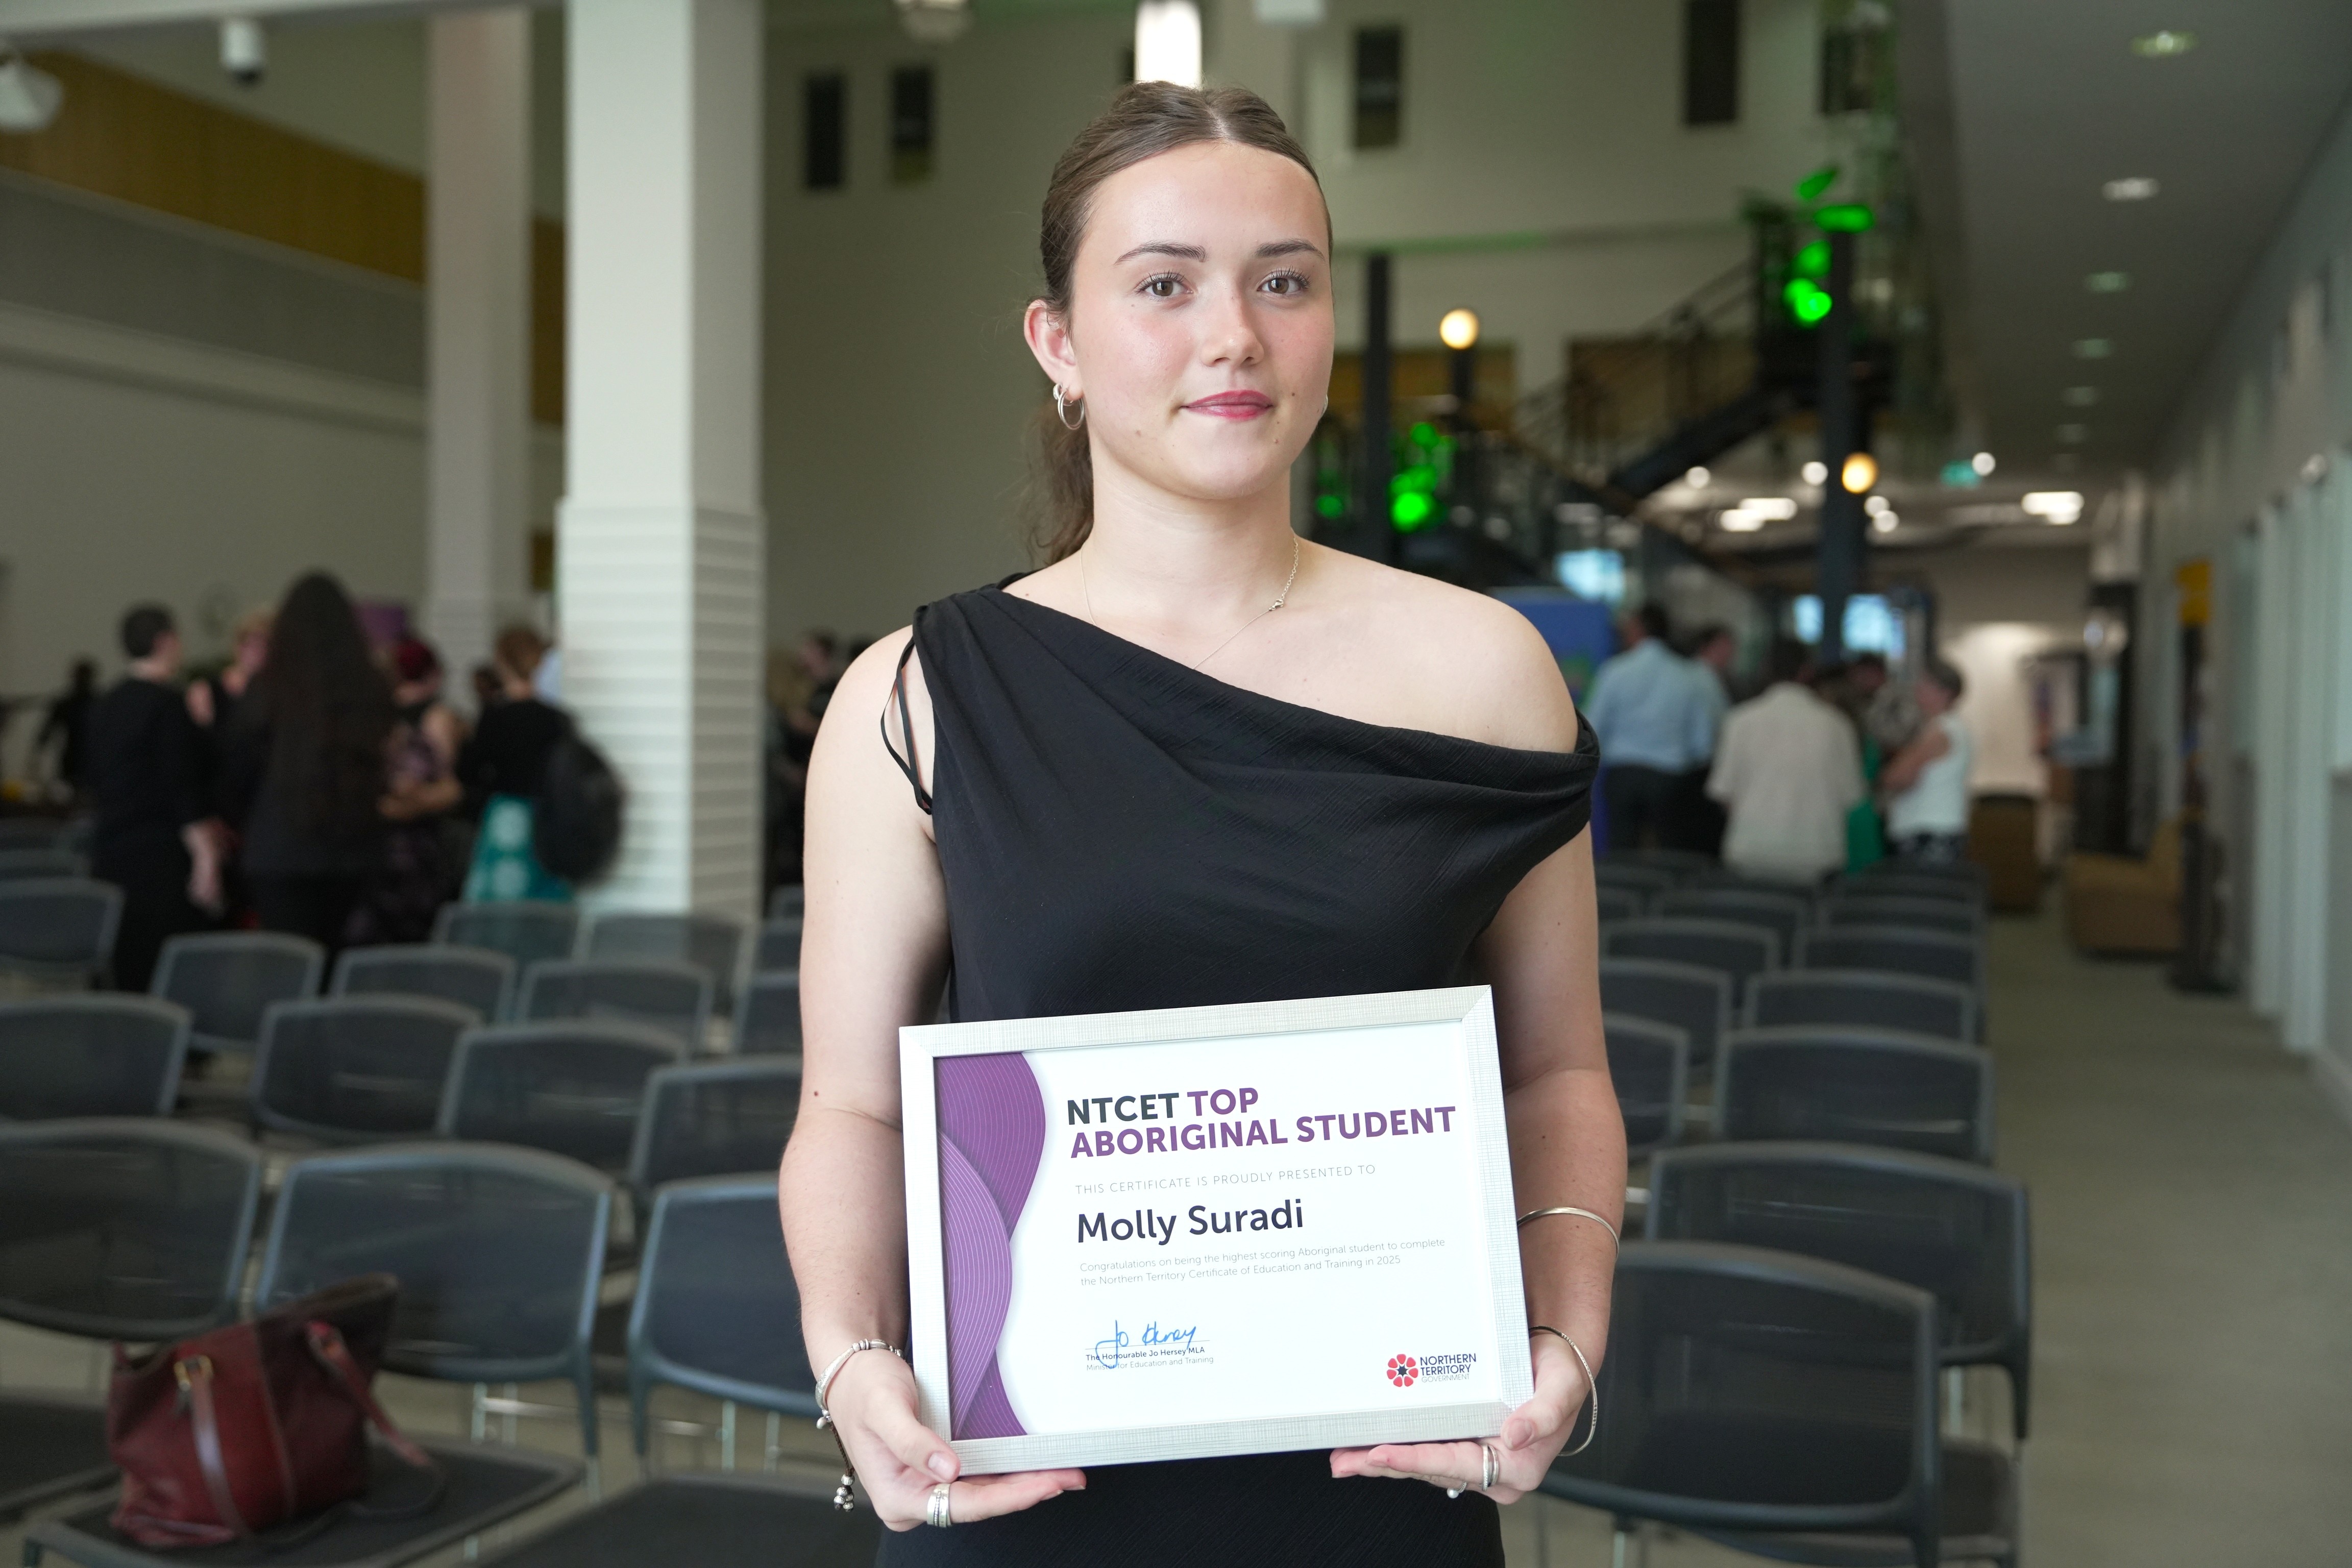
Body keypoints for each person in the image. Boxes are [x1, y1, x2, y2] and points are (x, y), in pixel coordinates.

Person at [777, 83, 1619, 1564]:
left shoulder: (1485, 670)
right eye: (1164, 285)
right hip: (1028, 1486)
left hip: (1379, 1475)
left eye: (1283, 283)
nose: (1234, 335)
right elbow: (852, 1105)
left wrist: (1567, 1333)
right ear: (1059, 342)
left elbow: (1553, 1068)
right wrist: (850, 1356)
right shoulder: (915, 697)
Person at [219, 574, 396, 951]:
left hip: (280, 844)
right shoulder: (371, 687)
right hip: (355, 843)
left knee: (291, 965)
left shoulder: (267, 686)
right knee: (344, 962)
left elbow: (239, 769)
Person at [86, 606, 221, 991]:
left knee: (122, 964)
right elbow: (181, 786)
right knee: (164, 969)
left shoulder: (106, 704)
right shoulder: (168, 705)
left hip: (110, 850)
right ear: (165, 642)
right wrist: (206, 858)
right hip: (159, 857)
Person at [1705, 638, 1864, 885]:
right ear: (1807, 672)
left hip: (1751, 849)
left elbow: (1724, 792)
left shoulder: (1740, 721)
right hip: (1817, 853)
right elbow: (1851, 796)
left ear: (1765, 670)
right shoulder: (1835, 725)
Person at [352, 636, 468, 943]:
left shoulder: (419, 726)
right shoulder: (355, 733)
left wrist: (415, 800)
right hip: (373, 859)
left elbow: (451, 788)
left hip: (416, 856)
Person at [1581, 603, 1716, 853]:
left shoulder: (1615, 671)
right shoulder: (1687, 676)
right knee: (1667, 852)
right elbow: (1702, 742)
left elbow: (1593, 726)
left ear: (1639, 629)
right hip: (1669, 778)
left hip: (1623, 773)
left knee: (1621, 851)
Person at [457, 625, 574, 902]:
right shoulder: (558, 719)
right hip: (549, 817)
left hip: (507, 817)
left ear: (503, 665)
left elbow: (468, 771)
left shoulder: (495, 717)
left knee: (502, 900)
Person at [1882, 659, 1974, 863]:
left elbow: (1898, 777)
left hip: (1927, 831)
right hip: (1938, 828)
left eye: (1925, 685)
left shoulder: (1939, 731)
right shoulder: (1954, 728)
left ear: (1945, 693)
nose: (1917, 690)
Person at [33, 658, 100, 801]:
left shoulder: (98, 704)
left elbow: (46, 734)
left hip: (88, 763)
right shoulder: (95, 704)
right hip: (74, 763)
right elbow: (46, 733)